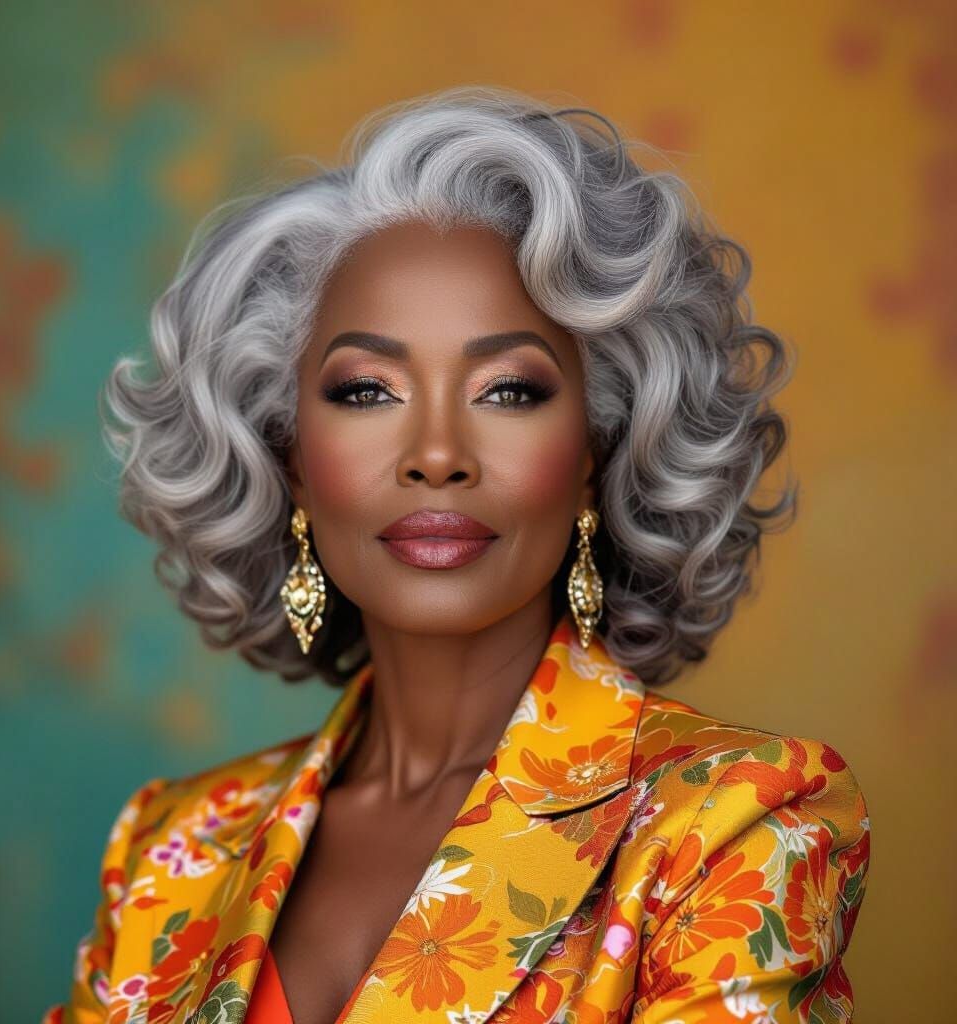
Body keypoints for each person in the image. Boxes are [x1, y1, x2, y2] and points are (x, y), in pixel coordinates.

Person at [43, 87, 870, 1024]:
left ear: (598, 453)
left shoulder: (731, 826)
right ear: (290, 459)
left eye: (510, 391)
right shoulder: (170, 849)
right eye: (366, 391)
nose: (437, 453)